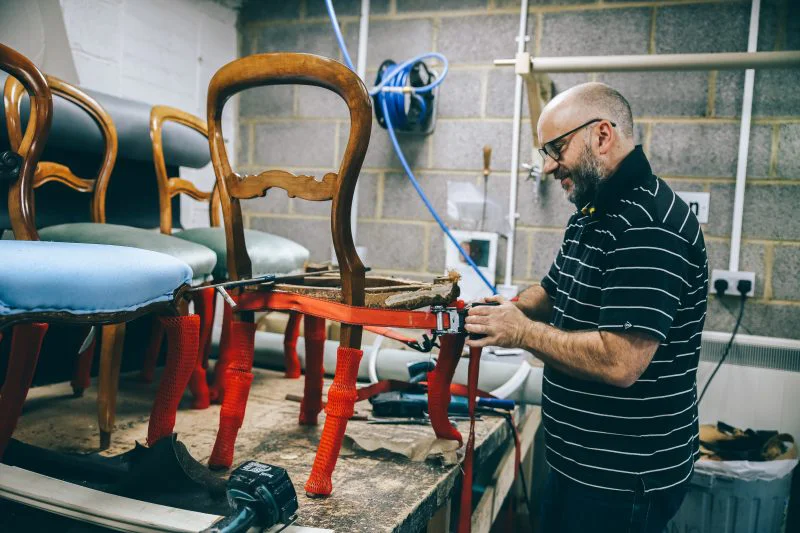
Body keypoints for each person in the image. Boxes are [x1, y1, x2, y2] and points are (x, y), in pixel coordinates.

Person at [464, 82, 708, 533]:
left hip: (622, 480)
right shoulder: (594, 209)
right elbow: (554, 290)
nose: (549, 166)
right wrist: (510, 306)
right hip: (576, 460)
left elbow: (620, 362)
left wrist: (518, 331)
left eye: (556, 148)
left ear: (601, 135)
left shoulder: (648, 225)